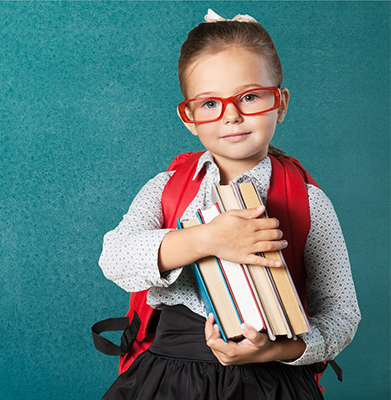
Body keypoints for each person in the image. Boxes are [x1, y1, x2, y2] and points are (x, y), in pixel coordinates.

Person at [98, 9, 360, 400]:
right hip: (167, 378)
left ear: (281, 103)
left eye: (250, 97)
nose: (232, 116)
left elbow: (342, 315)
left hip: (272, 379)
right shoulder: (167, 187)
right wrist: (208, 239)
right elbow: (114, 259)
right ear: (189, 117)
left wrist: (276, 350)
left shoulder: (308, 202)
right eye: (209, 104)